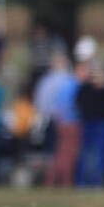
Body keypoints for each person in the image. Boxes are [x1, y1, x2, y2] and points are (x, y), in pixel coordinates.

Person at [36, 53, 81, 187]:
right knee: (66, 152)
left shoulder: (45, 81)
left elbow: (39, 102)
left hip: (51, 121)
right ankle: (64, 181)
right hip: (67, 121)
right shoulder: (68, 80)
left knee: (54, 152)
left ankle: (50, 180)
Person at [76, 63, 104, 187]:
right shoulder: (85, 89)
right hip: (89, 124)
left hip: (101, 124)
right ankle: (83, 182)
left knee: (99, 153)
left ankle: (97, 181)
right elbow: (79, 104)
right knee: (86, 153)